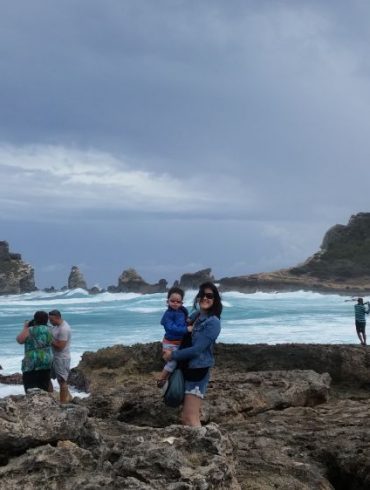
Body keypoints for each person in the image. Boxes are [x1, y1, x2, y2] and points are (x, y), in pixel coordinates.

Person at [163, 282, 222, 426]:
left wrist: (173, 356)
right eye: (202, 295)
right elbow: (178, 327)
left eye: (209, 296)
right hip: (186, 368)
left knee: (190, 418)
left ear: (215, 300)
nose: (205, 298)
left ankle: (204, 445)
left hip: (198, 372)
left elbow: (197, 349)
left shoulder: (213, 322)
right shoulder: (196, 316)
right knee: (185, 418)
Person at [157, 287, 192, 388]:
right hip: (170, 343)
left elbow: (185, 320)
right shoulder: (168, 315)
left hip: (179, 341)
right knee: (172, 362)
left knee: (179, 362)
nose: (175, 303)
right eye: (172, 301)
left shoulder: (182, 310)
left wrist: (188, 321)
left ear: (182, 303)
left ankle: (170, 380)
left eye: (178, 301)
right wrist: (187, 329)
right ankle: (161, 379)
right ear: (167, 301)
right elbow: (171, 328)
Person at [16, 310, 53, 393]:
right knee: (44, 384)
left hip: (32, 361)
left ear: (35, 319)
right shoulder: (51, 329)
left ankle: (33, 402)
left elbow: (19, 340)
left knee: (30, 386)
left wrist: (25, 327)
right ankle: (45, 402)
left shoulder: (30, 330)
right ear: (47, 320)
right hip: (46, 359)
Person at [48, 309, 72, 403]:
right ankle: (51, 399)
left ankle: (63, 404)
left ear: (58, 318)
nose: (50, 322)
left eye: (52, 320)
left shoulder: (64, 329)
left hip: (62, 358)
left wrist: (49, 339)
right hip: (54, 357)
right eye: (49, 320)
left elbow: (60, 346)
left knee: (62, 382)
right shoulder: (57, 326)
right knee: (47, 377)